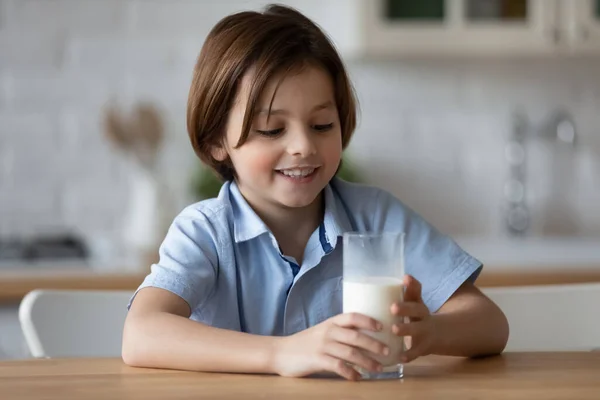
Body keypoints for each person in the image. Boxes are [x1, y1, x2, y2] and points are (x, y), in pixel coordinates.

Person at [122, 4, 509, 381]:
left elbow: (490, 323)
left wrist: (432, 332)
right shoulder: (205, 232)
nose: (303, 147)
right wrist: (283, 352)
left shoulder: (377, 216)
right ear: (215, 142)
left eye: (322, 124)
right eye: (272, 130)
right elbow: (141, 333)